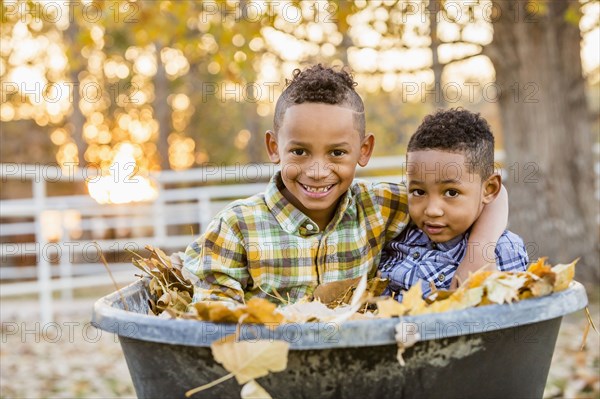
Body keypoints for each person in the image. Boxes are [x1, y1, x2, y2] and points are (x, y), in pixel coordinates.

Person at [183, 65, 509, 304]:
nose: (317, 171)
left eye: (337, 153)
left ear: (363, 150)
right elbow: (215, 316)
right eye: (299, 151)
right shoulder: (237, 227)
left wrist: (478, 256)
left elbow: (490, 194)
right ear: (274, 148)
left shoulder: (380, 206)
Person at [379, 108, 529, 301]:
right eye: (419, 192)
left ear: (489, 189)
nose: (432, 210)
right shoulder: (399, 230)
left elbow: (509, 322)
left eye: (451, 192)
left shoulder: (501, 250)